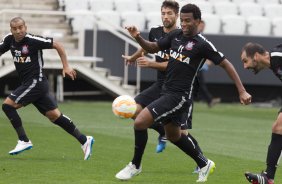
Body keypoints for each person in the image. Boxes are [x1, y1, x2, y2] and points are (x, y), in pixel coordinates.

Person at [116, 3, 252, 182]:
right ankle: (204, 163)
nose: (184, 24)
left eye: (188, 21)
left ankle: (135, 165)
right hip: (166, 91)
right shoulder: (175, 35)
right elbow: (152, 48)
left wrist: (241, 91)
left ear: (198, 21)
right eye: (182, 20)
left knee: (140, 121)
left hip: (179, 96)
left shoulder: (203, 44)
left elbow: (226, 64)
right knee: (173, 135)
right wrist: (138, 37)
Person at [0, 17, 94, 160]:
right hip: (34, 85)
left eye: (21, 27)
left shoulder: (32, 40)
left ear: (26, 27)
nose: (18, 31)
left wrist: (66, 66)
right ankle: (84, 140)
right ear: (11, 29)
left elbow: (58, 45)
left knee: (8, 106)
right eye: (15, 28)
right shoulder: (9, 40)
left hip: (35, 82)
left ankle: (24, 140)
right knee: (54, 116)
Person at [121, 0, 179, 154]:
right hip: (160, 84)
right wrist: (133, 58)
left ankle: (202, 161)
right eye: (163, 13)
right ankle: (161, 132)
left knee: (180, 134)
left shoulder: (180, 38)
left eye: (169, 13)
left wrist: (151, 64)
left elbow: (174, 65)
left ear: (177, 15)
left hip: (176, 88)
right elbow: (147, 48)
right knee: (133, 110)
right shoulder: (155, 32)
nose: (165, 16)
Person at [241, 42, 282, 184]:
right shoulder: (275, 63)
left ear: (256, 56)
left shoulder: (278, 57)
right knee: (278, 127)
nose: (245, 67)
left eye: (245, 61)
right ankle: (268, 177)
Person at [196, 20, 221, 107]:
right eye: (201, 26)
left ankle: (209, 100)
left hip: (198, 66)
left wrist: (207, 60)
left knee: (200, 84)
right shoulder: (194, 37)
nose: (202, 28)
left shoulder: (203, 37)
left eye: (203, 26)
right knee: (200, 84)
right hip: (193, 66)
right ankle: (209, 100)